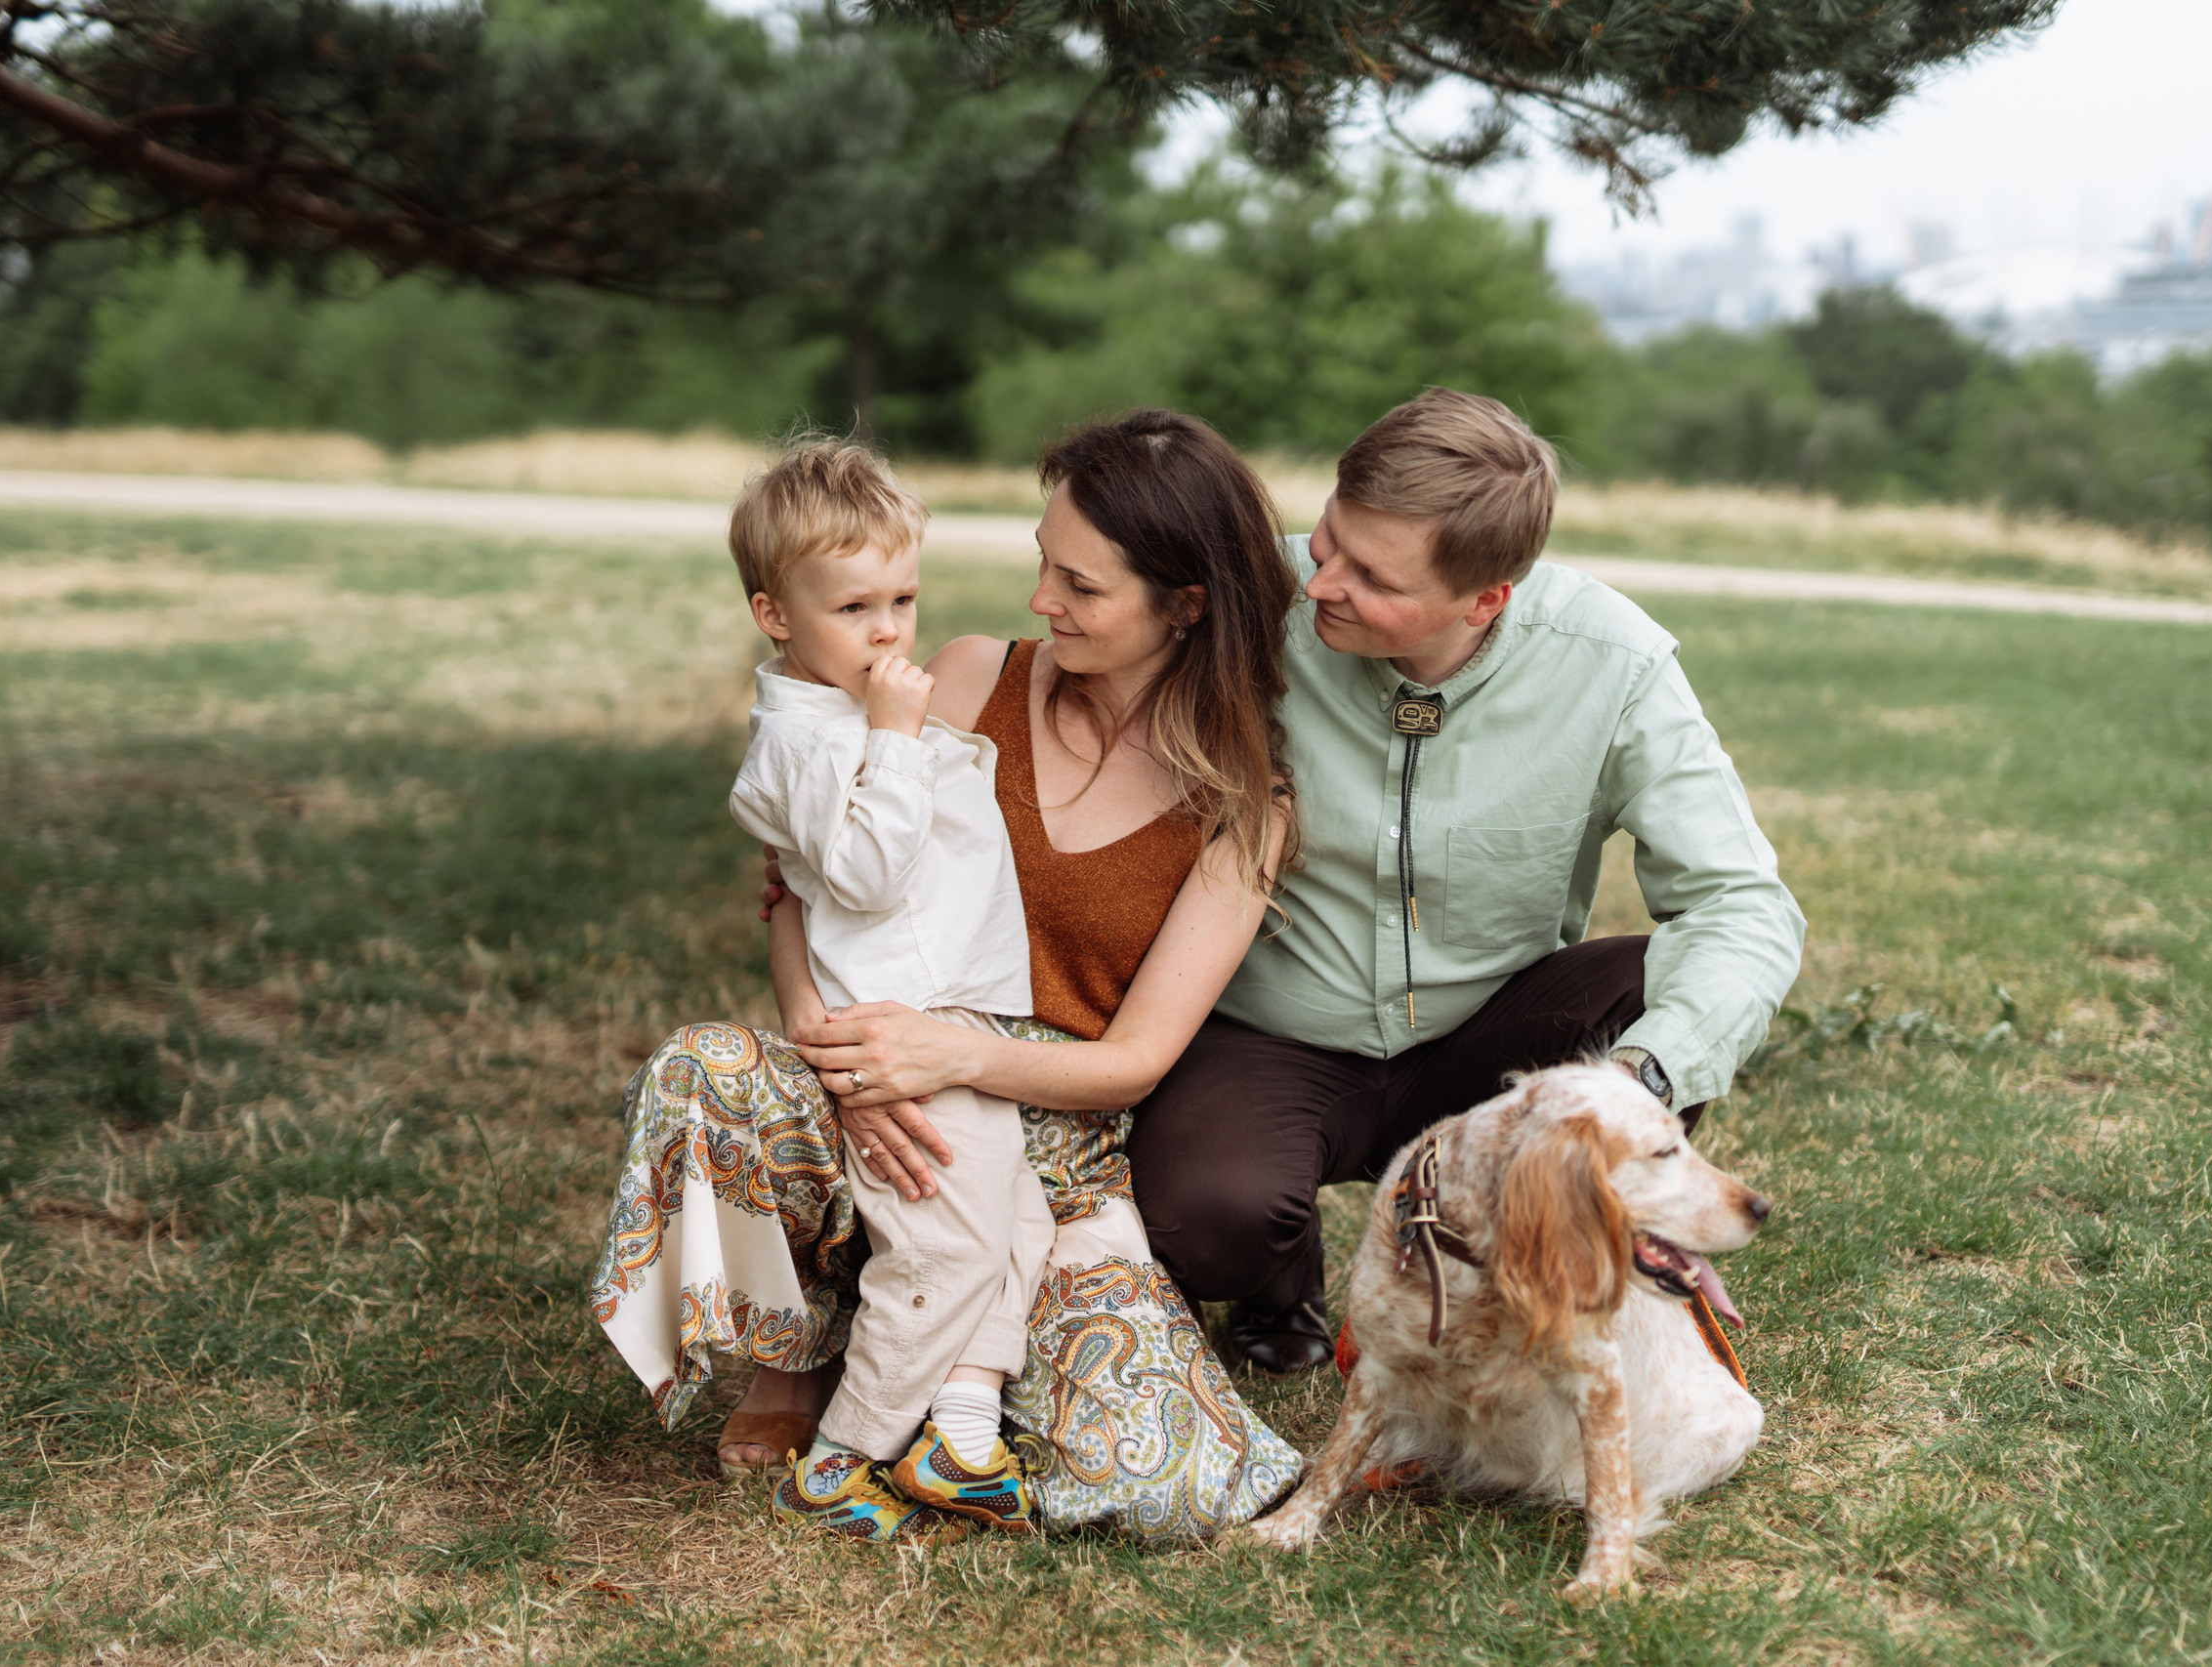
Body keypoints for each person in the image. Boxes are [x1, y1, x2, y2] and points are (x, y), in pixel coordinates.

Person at [590, 409, 1306, 1536]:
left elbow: (1137, 1064)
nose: (1040, 601)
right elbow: (795, 890)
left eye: (1078, 584)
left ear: (1186, 603)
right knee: (704, 1074)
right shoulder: (969, 680)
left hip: (1050, 1136)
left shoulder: (1242, 808)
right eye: (1040, 564)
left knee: (1160, 1483)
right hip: (866, 1058)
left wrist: (957, 1055)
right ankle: (794, 1368)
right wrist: (845, 1061)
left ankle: (955, 1405)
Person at [1122, 387, 1809, 1373]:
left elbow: (1742, 905)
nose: (1320, 587)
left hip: (1491, 1042)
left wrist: (1633, 1085)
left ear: (1487, 598)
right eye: (1326, 543)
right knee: (1204, 1215)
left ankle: (1527, 1242)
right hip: (1269, 1032)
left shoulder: (1611, 661)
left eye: (1373, 578)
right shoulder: (1249, 601)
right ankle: (1282, 1278)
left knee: (1651, 979)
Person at [717, 440, 1052, 1539]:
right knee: (945, 1247)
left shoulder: (850, 710)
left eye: (902, 598)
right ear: (775, 614)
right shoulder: (810, 744)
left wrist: (892, 728)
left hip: (961, 1009)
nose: (888, 630)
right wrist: (902, 742)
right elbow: (864, 871)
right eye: (852, 605)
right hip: (908, 1024)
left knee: (1017, 1221)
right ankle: (846, 1453)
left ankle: (959, 1431)